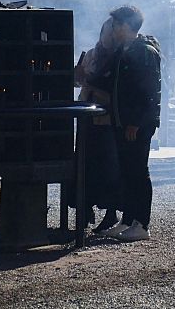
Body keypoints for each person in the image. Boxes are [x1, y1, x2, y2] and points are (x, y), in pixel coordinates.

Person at [102, 5, 161, 243]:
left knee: (138, 171)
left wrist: (135, 122)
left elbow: (148, 92)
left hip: (137, 124)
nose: (113, 29)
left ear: (126, 26)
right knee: (126, 171)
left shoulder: (144, 52)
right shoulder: (122, 51)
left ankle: (141, 223)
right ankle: (127, 220)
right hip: (122, 121)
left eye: (116, 25)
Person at [73, 18, 123, 233]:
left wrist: (89, 79)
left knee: (109, 168)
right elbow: (79, 81)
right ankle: (84, 208)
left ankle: (111, 212)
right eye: (106, 32)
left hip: (107, 118)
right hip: (87, 118)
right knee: (85, 164)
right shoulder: (92, 54)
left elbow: (110, 85)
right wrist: (77, 77)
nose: (108, 37)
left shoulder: (119, 57)